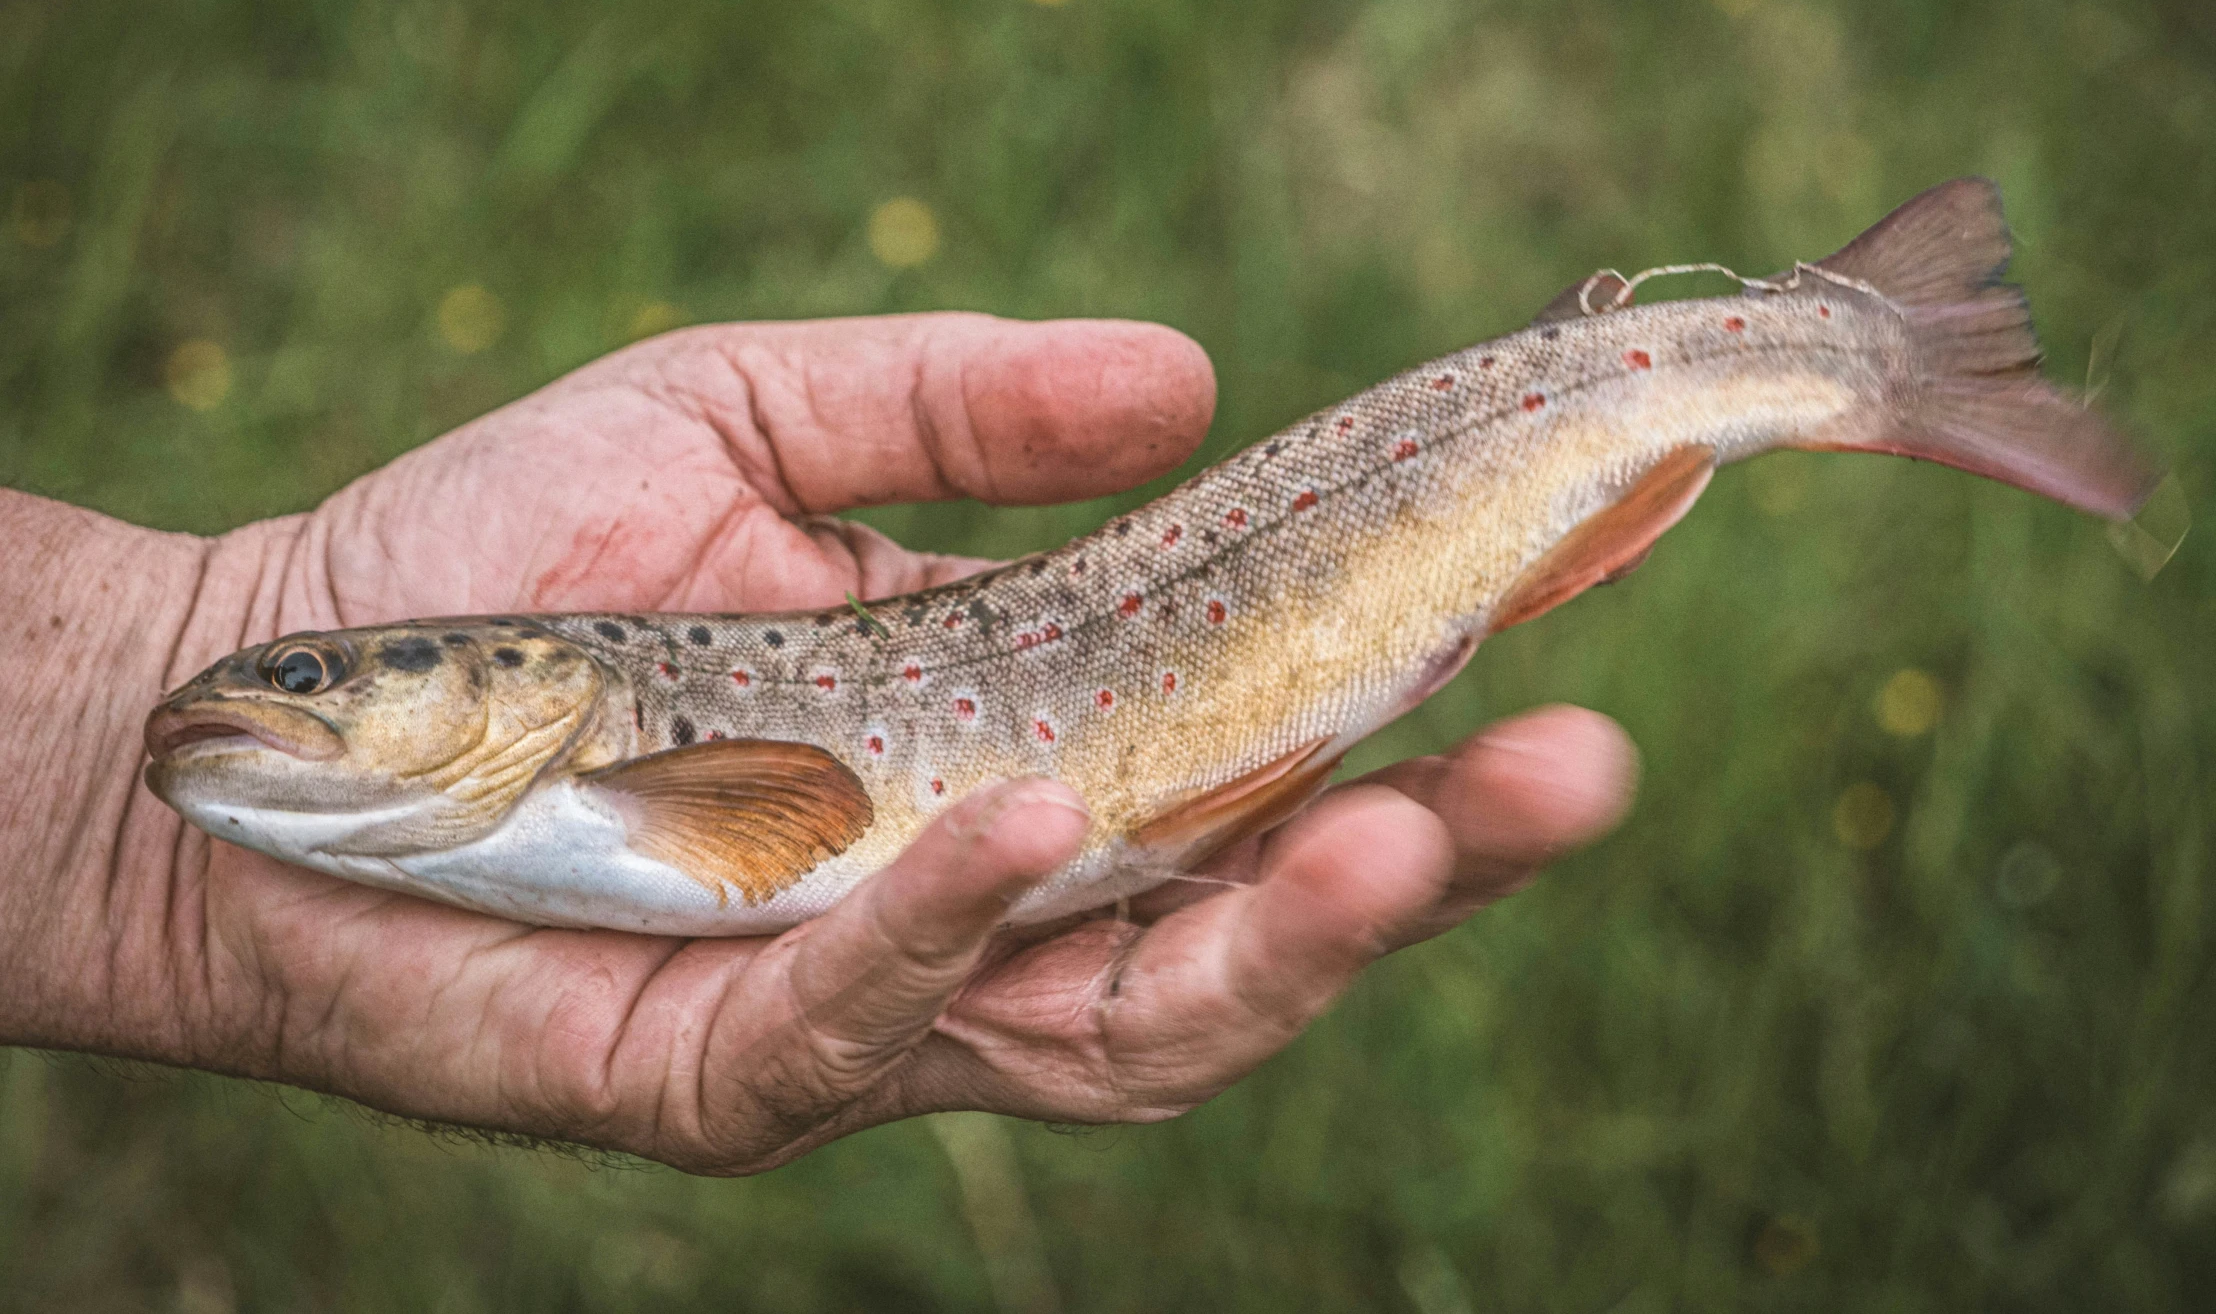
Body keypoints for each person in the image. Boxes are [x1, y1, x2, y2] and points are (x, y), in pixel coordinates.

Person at [0, 314, 1634, 1175]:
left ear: (522, 677)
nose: (268, 693)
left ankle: (1689, 385)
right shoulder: (510, 773)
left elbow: (782, 817)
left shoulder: (604, 742)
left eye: (308, 668)